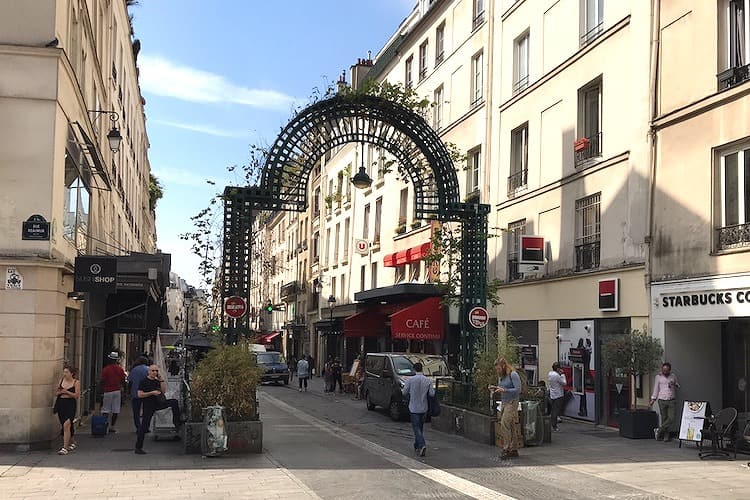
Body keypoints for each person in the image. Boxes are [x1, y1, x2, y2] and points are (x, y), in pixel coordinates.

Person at [134, 365, 183, 454]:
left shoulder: (157, 381)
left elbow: (163, 391)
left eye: (156, 371)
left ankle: (177, 422)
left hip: (159, 403)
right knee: (144, 426)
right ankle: (138, 447)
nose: (155, 372)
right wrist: (151, 393)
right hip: (149, 406)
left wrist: (161, 380)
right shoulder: (143, 382)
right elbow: (139, 394)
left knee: (174, 402)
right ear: (149, 371)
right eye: (153, 371)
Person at [490, 357, 522, 460]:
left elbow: (518, 389)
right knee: (511, 425)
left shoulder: (513, 374)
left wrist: (505, 390)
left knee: (504, 423)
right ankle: (514, 449)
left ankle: (507, 447)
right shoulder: (501, 376)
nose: (497, 371)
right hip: (504, 402)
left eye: (498, 368)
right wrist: (495, 388)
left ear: (504, 366)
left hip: (512, 402)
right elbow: (502, 387)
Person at [402, 362, 435, 457]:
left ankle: (422, 444)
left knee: (416, 427)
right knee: (420, 427)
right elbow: (432, 394)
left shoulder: (410, 380)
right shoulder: (428, 380)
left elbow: (404, 392)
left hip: (413, 407)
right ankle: (416, 445)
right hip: (424, 407)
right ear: (422, 369)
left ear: (414, 369)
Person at [649, 362, 680, 442]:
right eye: (663, 370)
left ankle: (658, 430)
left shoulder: (673, 376)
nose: (665, 372)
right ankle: (666, 436)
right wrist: (653, 399)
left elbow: (678, 385)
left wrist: (674, 384)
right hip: (662, 399)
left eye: (666, 370)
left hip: (671, 399)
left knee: (671, 417)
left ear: (669, 370)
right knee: (664, 418)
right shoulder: (658, 377)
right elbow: (656, 388)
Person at [53, 365, 80, 455]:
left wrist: (67, 392)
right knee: (67, 425)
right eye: (64, 372)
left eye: (67, 372)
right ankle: (72, 441)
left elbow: (76, 395)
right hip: (61, 404)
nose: (65, 374)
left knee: (66, 424)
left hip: (70, 405)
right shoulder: (61, 381)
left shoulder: (76, 382)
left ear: (71, 373)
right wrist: (60, 392)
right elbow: (56, 393)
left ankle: (65, 447)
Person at [100, 351, 126, 433]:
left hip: (107, 390)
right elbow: (123, 380)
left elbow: (102, 380)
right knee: (115, 409)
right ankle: (112, 426)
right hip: (117, 390)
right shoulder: (120, 369)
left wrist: (101, 389)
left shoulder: (106, 369)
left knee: (105, 409)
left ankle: (104, 425)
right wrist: (124, 390)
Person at [127, 356, 150, 432]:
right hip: (146, 393)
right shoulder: (148, 369)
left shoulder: (134, 370)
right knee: (146, 411)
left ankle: (138, 427)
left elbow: (130, 381)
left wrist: (129, 392)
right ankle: (145, 427)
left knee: (136, 412)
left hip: (135, 393)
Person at [548, 362, 567, 431]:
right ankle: (554, 426)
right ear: (558, 368)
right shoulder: (557, 376)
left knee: (553, 410)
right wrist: (562, 374)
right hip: (558, 395)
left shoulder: (550, 374)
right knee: (556, 411)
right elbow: (564, 383)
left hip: (552, 394)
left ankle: (553, 424)